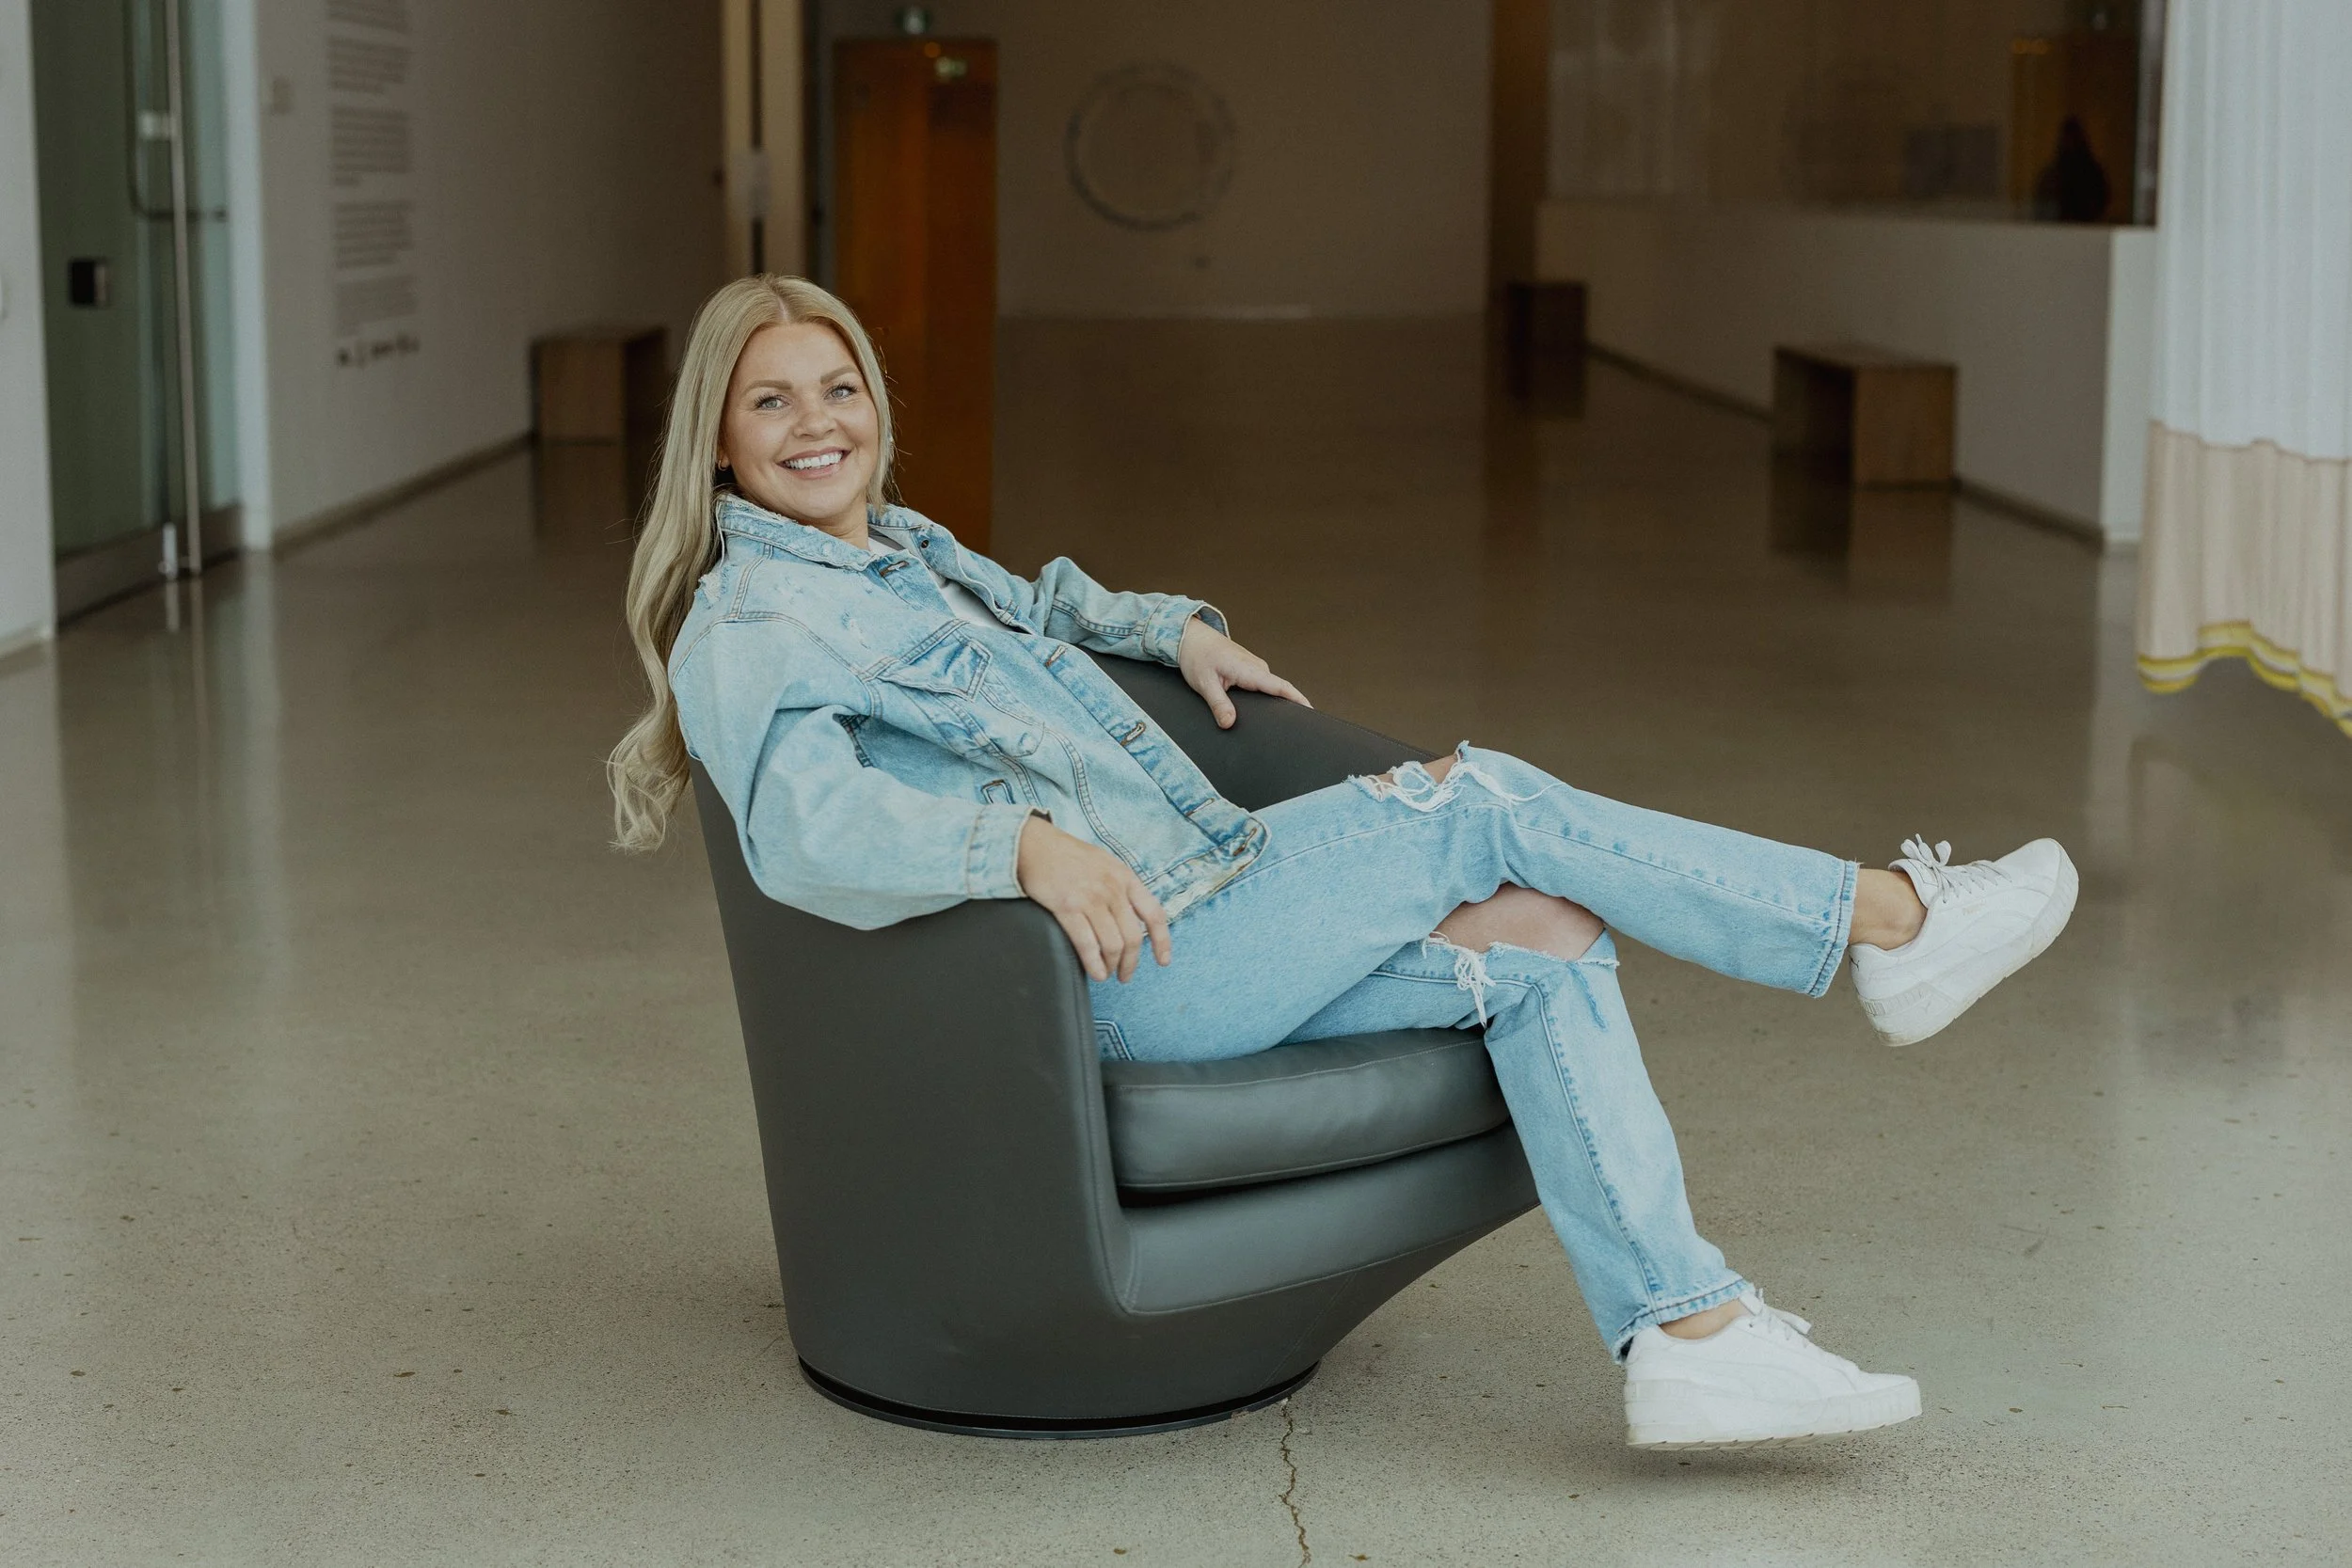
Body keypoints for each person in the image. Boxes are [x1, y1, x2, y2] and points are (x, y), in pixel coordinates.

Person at [609, 276, 2078, 1450]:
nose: (818, 423)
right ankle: (1886, 921)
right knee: (1478, 797)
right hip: (1116, 974)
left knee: (1543, 939)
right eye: (772, 401)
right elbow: (806, 824)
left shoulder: (904, 553)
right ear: (722, 442)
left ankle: (1685, 1337)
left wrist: (1165, 628)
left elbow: (1043, 599)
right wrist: (1023, 843)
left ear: (875, 405)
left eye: (840, 387)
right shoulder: (750, 624)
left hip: (1197, 908)